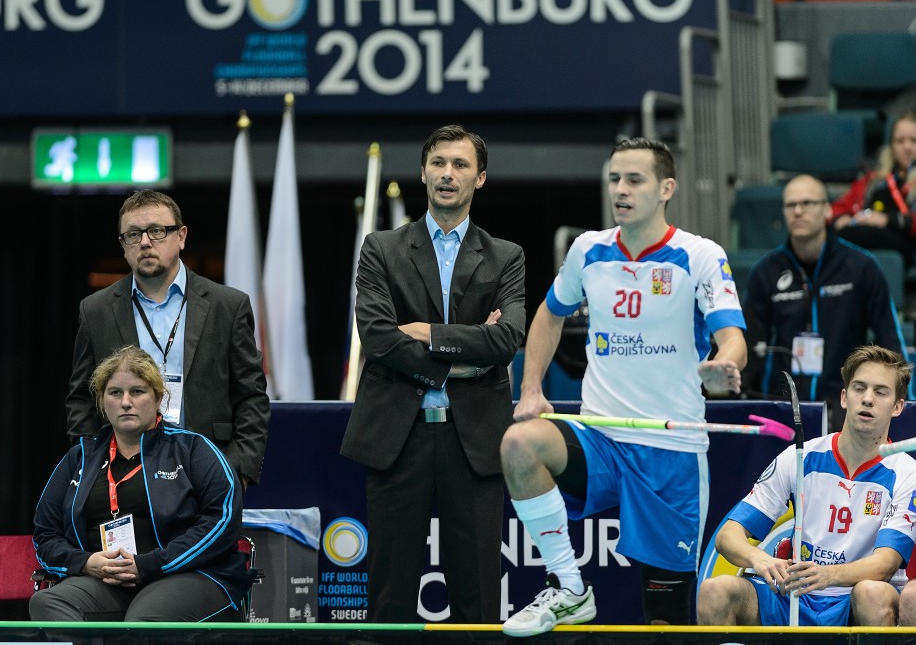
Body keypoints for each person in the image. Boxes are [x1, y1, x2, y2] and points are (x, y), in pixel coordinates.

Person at [500, 137, 747, 636]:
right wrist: (531, 389)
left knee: (666, 622)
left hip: (669, 450)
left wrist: (723, 366)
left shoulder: (699, 256)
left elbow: (732, 338)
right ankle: (569, 588)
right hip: (601, 436)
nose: (621, 190)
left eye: (635, 180)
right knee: (520, 444)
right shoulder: (588, 251)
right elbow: (549, 314)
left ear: (666, 188)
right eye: (615, 179)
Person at [340, 124, 525, 623]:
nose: (448, 174)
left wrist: (429, 332)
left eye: (461, 165)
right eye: (439, 162)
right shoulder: (380, 248)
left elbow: (507, 340)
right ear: (423, 172)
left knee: (481, 601)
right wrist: (464, 359)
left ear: (480, 178)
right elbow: (378, 337)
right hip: (398, 440)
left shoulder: (507, 256)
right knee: (389, 602)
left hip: (476, 443)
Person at [698, 345, 916, 627]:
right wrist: (759, 559)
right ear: (844, 397)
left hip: (854, 597)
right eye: (859, 388)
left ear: (898, 406)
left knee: (872, 592)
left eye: (881, 392)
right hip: (793, 595)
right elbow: (728, 535)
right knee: (716, 591)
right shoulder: (800, 456)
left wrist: (829, 575)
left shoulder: (906, 472)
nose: (868, 399)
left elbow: (886, 563)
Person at [32, 345, 255, 621]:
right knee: (48, 602)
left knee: (142, 621)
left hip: (189, 575)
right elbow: (45, 534)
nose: (126, 402)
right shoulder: (80, 456)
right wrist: (86, 563)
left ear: (158, 397)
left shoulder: (193, 448)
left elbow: (222, 522)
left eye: (137, 391)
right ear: (103, 401)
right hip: (105, 581)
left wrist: (150, 565)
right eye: (115, 392)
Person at [65, 190, 270, 487]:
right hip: (123, 476)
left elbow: (251, 397)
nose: (145, 242)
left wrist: (238, 470)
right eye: (133, 235)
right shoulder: (96, 310)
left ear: (182, 236)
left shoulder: (228, 306)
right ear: (123, 246)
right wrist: (91, 469)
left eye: (157, 231)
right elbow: (81, 400)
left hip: (209, 471)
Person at [744, 174, 907, 432]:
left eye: (807, 203)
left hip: (846, 408)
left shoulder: (860, 267)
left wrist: (903, 402)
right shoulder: (766, 272)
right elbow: (748, 342)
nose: (798, 211)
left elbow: (890, 336)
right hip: (782, 409)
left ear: (827, 209)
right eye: (790, 205)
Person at [831, 109, 916, 268]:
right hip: (866, 241)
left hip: (907, 246)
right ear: (891, 146)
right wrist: (841, 218)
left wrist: (885, 220)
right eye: (900, 141)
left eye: (914, 140)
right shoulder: (874, 180)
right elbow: (837, 208)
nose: (907, 147)